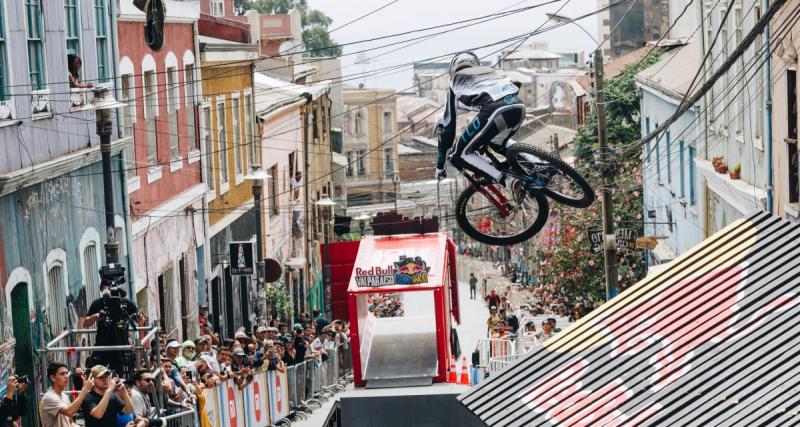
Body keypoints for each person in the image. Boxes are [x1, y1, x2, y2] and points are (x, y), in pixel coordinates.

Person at [433, 51, 526, 189]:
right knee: (497, 142)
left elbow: (448, 131)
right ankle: (540, 165)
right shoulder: (488, 75)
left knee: (459, 153)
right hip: (518, 106)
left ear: (451, 71)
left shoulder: (455, 85)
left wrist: (440, 167)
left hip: (495, 110)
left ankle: (508, 181)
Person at [84, 278, 144, 378]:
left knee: (121, 377)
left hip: (122, 346)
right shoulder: (98, 304)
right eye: (106, 287)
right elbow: (85, 323)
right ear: (101, 289)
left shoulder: (125, 303)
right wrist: (96, 316)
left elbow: (140, 321)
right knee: (97, 375)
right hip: (102, 346)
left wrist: (139, 318)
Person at [40, 363, 94, 427]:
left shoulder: (64, 395)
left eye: (66, 373)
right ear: (52, 378)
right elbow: (69, 412)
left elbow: (70, 421)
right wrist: (84, 390)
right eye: (62, 374)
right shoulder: (49, 397)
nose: (66, 376)